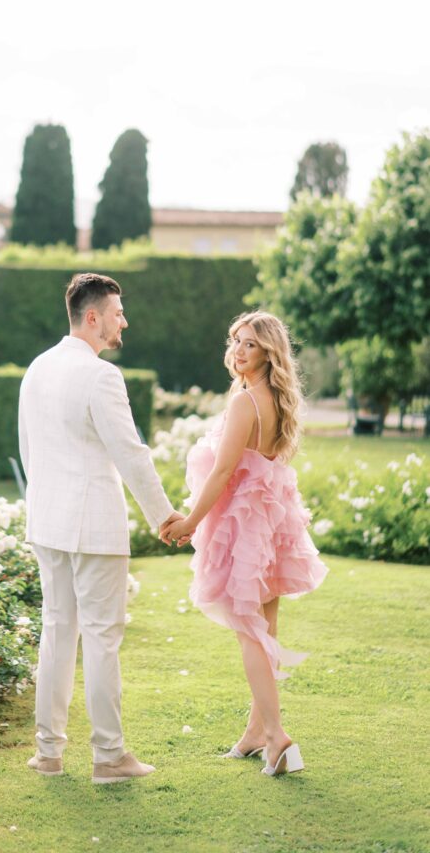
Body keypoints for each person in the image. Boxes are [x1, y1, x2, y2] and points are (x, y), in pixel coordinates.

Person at [19, 272, 184, 783]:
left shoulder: (37, 368)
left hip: (48, 522)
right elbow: (130, 454)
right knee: (102, 638)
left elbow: (29, 450)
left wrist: (42, 506)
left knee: (56, 632)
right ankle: (109, 756)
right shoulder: (101, 376)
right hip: (92, 526)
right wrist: (165, 517)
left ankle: (48, 753)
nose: (123, 322)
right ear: (93, 318)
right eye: (117, 313)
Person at [161, 311, 328, 777]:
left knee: (250, 633)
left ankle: (276, 738)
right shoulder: (275, 399)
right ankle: (256, 732)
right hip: (271, 523)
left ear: (268, 353)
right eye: (236, 340)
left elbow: (222, 472)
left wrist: (190, 521)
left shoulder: (245, 402)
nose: (238, 350)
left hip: (247, 528)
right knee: (265, 629)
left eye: (250, 344)